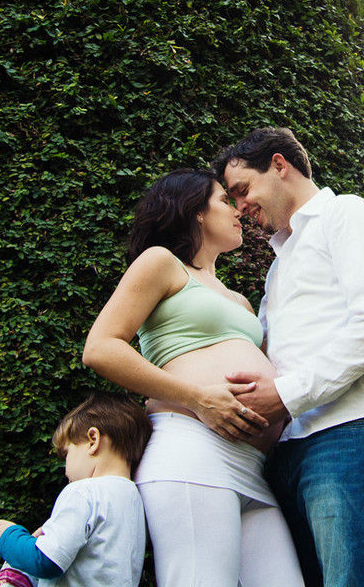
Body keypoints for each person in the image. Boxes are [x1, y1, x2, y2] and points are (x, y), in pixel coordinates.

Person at [212, 126, 364, 587]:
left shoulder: (346, 214)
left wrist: (284, 396)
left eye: (242, 189)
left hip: (350, 429)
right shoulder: (279, 267)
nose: (240, 207)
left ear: (280, 165)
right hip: (292, 447)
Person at [81, 169, 304, 587]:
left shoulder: (238, 299)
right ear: (195, 212)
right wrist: (199, 398)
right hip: (192, 452)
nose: (238, 209)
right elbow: (100, 348)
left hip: (255, 468)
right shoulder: (161, 263)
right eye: (224, 200)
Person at [0, 391, 150, 587]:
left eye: (66, 454)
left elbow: (46, 561)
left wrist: (9, 537)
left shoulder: (83, 491)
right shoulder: (134, 499)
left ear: (93, 440)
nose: (65, 470)